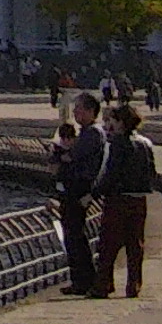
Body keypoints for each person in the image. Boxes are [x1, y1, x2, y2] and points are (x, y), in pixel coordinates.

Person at [98, 102, 159, 297]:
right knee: (135, 244)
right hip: (139, 199)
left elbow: (112, 173)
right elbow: (152, 173)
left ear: (121, 122)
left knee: (109, 243)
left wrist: (96, 192)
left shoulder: (118, 143)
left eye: (113, 121)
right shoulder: (145, 143)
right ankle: (134, 284)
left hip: (118, 199)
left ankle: (104, 284)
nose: (110, 125)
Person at [51, 93, 107, 296]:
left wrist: (64, 156)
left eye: (79, 109)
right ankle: (80, 279)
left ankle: (83, 280)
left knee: (75, 236)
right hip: (76, 190)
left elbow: (71, 156)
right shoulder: (86, 133)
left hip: (78, 191)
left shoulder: (92, 133)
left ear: (91, 111)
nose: (75, 112)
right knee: (74, 236)